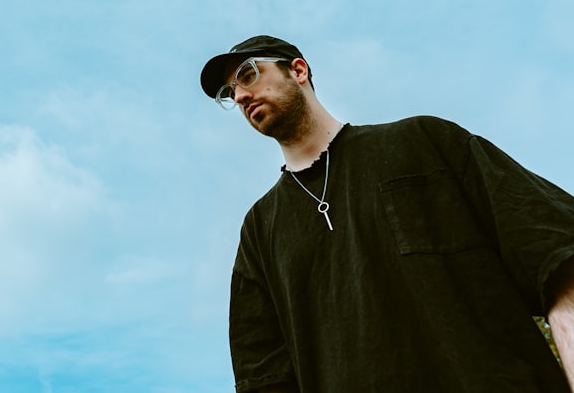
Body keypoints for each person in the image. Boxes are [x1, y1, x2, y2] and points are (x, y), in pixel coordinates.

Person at [200, 35, 574, 393]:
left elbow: (555, 255)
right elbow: (266, 377)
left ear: (298, 71)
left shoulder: (424, 142)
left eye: (248, 74)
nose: (241, 95)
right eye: (230, 94)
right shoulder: (259, 230)